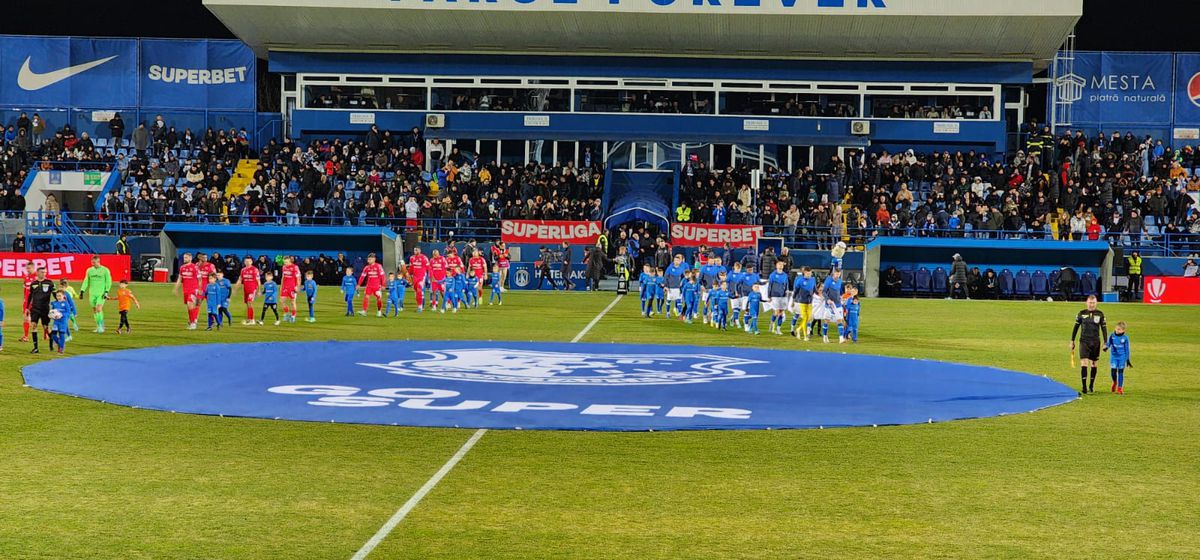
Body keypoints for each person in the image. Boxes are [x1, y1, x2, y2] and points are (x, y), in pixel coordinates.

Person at [1070, 295, 1108, 394]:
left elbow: (1104, 328)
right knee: (1084, 363)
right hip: (1084, 341)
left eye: (1093, 303)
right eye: (1090, 303)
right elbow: (1075, 327)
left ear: (1096, 303)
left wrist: (1105, 342)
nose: (1092, 305)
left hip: (1095, 342)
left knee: (1094, 364)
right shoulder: (1081, 313)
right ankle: (1084, 387)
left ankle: (1091, 385)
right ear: (1086, 303)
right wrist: (1072, 340)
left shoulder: (1100, 314)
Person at [79, 255, 112, 333]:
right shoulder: (89, 270)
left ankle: (100, 326)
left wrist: (106, 291)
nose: (92, 264)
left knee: (98, 309)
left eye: (94, 262)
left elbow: (108, 281)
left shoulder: (105, 270)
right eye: (92, 262)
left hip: (101, 293)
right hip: (92, 293)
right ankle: (99, 325)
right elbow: (86, 281)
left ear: (98, 262)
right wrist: (82, 290)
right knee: (94, 310)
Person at [26, 267, 54, 354]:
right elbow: (30, 296)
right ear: (37, 273)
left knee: (46, 327)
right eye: (42, 272)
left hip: (45, 309)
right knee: (34, 326)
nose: (44, 274)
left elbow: (55, 294)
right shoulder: (33, 283)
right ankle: (36, 348)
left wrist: (59, 304)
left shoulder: (50, 283)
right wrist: (27, 308)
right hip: (35, 308)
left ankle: (51, 343)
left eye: (45, 272)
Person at [173, 253, 202, 330]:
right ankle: (192, 320)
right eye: (184, 257)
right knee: (189, 307)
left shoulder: (195, 267)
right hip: (185, 290)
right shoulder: (182, 267)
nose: (184, 259)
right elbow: (180, 278)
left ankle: (193, 323)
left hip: (193, 289)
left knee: (190, 304)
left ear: (190, 258)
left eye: (186, 257)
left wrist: (199, 289)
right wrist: (176, 288)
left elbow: (199, 279)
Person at [790, 266, 816, 340]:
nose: (809, 275)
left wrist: (819, 295)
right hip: (802, 302)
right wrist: (793, 300)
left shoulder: (813, 279)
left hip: (810, 302)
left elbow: (814, 289)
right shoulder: (800, 280)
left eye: (810, 273)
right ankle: (805, 336)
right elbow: (796, 291)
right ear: (804, 273)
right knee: (804, 318)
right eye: (808, 274)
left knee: (809, 318)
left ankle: (798, 329)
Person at [1106, 321, 1132, 395]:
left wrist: (1127, 359)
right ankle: (1115, 382)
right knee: (1113, 371)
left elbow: (1127, 349)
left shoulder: (1125, 338)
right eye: (1116, 329)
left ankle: (1119, 388)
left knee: (1120, 372)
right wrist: (1106, 347)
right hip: (1114, 356)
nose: (1117, 330)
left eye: (1119, 329)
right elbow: (1108, 344)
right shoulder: (1112, 336)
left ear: (1123, 330)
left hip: (1122, 357)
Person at [235, 256, 261, 325]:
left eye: (249, 261)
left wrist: (259, 290)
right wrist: (236, 288)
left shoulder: (255, 269)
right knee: (247, 304)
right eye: (246, 261)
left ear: (251, 262)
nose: (247, 262)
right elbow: (240, 279)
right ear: (244, 262)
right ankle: (249, 319)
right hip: (246, 289)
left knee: (250, 303)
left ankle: (252, 320)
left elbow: (258, 280)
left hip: (252, 289)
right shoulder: (243, 270)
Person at [359, 253, 386, 317]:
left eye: (370, 259)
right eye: (368, 259)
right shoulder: (367, 267)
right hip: (369, 286)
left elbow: (382, 276)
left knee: (378, 298)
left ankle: (379, 311)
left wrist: (383, 285)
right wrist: (359, 284)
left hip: (377, 286)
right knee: (366, 297)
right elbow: (362, 276)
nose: (368, 261)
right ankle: (364, 311)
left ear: (374, 259)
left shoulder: (378, 266)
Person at [766, 261, 790, 335]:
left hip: (782, 296)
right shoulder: (772, 275)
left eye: (782, 264)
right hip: (774, 295)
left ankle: (778, 329)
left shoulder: (785, 275)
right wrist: (769, 296)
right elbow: (770, 285)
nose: (780, 265)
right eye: (779, 264)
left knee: (781, 313)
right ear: (776, 266)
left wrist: (787, 291)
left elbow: (786, 284)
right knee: (776, 312)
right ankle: (772, 323)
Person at [823, 269, 846, 343]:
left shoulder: (839, 281)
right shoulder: (828, 280)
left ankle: (841, 338)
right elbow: (823, 292)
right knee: (827, 321)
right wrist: (827, 299)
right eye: (836, 274)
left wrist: (841, 296)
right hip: (829, 304)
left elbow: (839, 291)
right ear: (833, 273)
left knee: (839, 320)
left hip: (838, 304)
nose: (837, 276)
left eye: (839, 274)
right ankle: (825, 336)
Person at [279, 256, 302, 323]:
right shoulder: (284, 267)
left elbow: (298, 278)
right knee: (282, 300)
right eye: (284, 262)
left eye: (286, 262)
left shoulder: (295, 267)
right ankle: (287, 314)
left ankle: (293, 316)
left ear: (290, 261)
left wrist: (298, 286)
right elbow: (283, 277)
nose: (285, 263)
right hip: (285, 287)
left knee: (292, 302)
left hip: (292, 287)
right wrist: (281, 286)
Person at [409, 247, 430, 311]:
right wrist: (409, 275)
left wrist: (429, 277)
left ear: (420, 250)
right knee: (416, 292)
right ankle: (419, 305)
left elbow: (428, 268)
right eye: (414, 250)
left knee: (419, 289)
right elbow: (411, 267)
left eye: (416, 250)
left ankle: (420, 306)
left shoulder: (424, 258)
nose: (415, 251)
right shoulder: (412, 258)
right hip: (415, 277)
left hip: (422, 276)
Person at [19, 262, 35, 343]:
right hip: (27, 301)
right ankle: (26, 336)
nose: (28, 270)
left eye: (29, 268)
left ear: (33, 268)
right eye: (27, 268)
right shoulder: (26, 277)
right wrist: (24, 299)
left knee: (39, 318)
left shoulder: (37, 277)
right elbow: (25, 290)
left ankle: (46, 334)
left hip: (35, 301)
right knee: (26, 318)